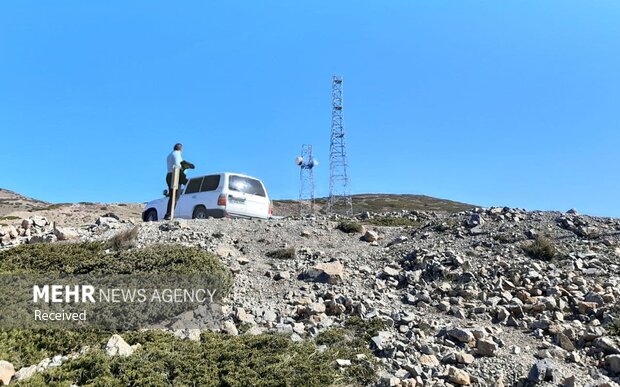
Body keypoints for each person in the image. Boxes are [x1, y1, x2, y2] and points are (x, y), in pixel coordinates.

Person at [164, 143, 184, 220]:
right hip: (175, 175)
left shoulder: (169, 155)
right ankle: (169, 214)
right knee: (176, 196)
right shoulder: (177, 154)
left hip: (169, 174)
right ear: (181, 149)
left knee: (172, 195)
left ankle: (168, 214)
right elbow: (178, 165)